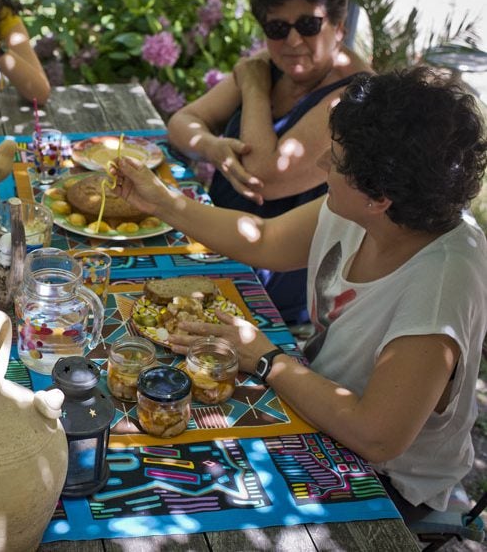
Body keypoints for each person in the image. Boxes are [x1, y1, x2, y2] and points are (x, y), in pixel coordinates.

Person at [113, 67, 487, 523]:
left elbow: (377, 437)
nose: (324, 164)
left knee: (182, 487)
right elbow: (263, 239)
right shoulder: (373, 210)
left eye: (337, 160)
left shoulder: (442, 281)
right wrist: (161, 201)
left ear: (380, 198)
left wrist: (267, 359)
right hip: (314, 401)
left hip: (385, 480)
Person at [166, 0, 372, 324]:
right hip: (215, 242)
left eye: (308, 24)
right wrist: (211, 146)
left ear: (339, 27)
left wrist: (253, 88)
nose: (292, 39)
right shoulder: (272, 66)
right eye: (277, 28)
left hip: (273, 283)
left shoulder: (353, 97)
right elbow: (183, 121)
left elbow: (263, 177)